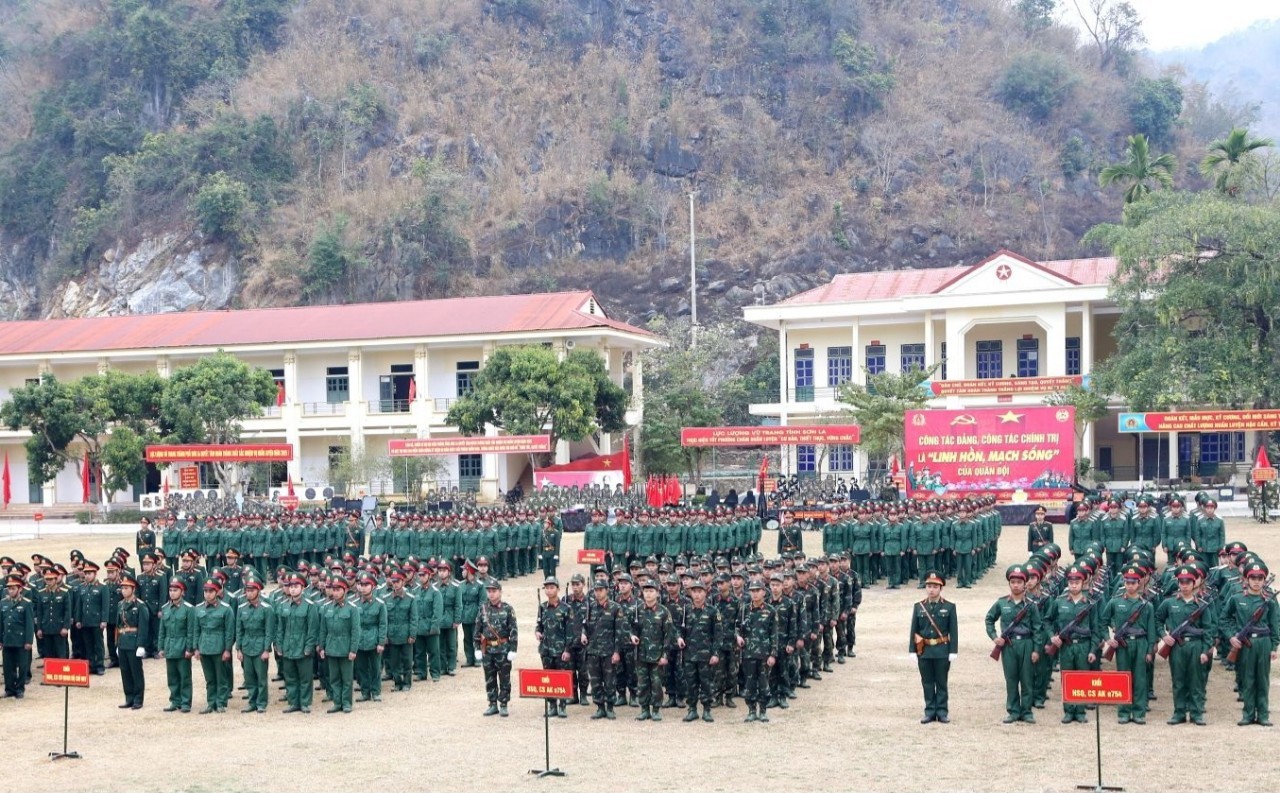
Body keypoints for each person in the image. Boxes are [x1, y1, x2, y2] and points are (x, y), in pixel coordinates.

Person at [1155, 565, 1214, 725]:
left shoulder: (1201, 605)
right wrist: (1163, 636)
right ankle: (1179, 712)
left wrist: (1205, 651)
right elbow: (1157, 619)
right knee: (1178, 681)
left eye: (1188, 582)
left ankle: (1196, 713)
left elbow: (1208, 630)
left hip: (1196, 646)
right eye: (1181, 582)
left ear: (1194, 583)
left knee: (1196, 681)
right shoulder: (1169, 603)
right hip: (1177, 647)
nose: (1184, 585)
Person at [984, 564, 1042, 724]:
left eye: (1019, 582)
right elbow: (989, 619)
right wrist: (995, 637)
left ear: (1025, 584)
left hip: (1026, 644)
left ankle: (1027, 711)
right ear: (1009, 584)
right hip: (1008, 645)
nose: (1016, 585)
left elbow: (1038, 628)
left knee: (1027, 679)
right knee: (1011, 679)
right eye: (1013, 582)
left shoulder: (1031, 605)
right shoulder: (1001, 603)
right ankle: (1013, 711)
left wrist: (1037, 649)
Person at [1224, 560, 1277, 726]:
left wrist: (1274, 646)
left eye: (1260, 578)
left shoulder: (1270, 601)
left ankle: (1262, 714)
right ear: (1246, 579)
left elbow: (1276, 624)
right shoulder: (1236, 598)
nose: (1256, 581)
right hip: (1244, 643)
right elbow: (1224, 619)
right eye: (1253, 577)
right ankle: (1247, 714)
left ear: (1264, 580)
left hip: (1263, 642)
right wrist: (1232, 636)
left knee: (1262, 679)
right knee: (1247, 679)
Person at [1100, 565, 1155, 724]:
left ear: (1139, 583)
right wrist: (1108, 639)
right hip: (1122, 645)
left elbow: (1151, 630)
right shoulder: (1115, 602)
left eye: (1133, 582)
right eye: (1127, 582)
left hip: (1141, 643)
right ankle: (1123, 712)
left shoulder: (1147, 605)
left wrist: (1150, 650)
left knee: (1140, 679)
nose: (1130, 585)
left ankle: (1139, 712)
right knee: (1123, 678)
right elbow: (1102, 622)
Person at [1046, 565, 1099, 724]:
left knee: (1082, 678)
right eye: (1071, 582)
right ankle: (1069, 711)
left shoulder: (1090, 604)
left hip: (1083, 645)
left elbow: (1095, 629)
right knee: (1067, 677)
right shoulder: (1058, 602)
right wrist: (1052, 636)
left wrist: (1092, 650)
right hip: (1066, 646)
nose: (1074, 585)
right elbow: (1047, 621)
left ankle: (1081, 711)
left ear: (1084, 583)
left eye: (1077, 582)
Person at [910, 571, 957, 724]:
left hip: (942, 649)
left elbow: (953, 631)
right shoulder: (919, 607)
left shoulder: (949, 607)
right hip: (924, 650)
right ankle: (930, 711)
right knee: (927, 682)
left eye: (935, 587)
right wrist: (912, 650)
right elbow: (914, 629)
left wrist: (953, 651)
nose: (931, 589)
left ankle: (942, 711)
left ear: (941, 588)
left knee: (941, 682)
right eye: (929, 586)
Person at [630, 579, 675, 721]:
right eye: (646, 591)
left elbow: (669, 635)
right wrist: (632, 636)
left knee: (656, 684)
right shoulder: (636, 610)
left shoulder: (664, 611)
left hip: (657, 655)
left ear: (657, 593)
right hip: (641, 654)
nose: (648, 594)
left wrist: (665, 655)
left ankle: (656, 709)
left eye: (651, 591)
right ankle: (644, 709)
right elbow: (629, 628)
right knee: (642, 683)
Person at [274, 574, 319, 713]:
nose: (292, 590)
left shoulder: (310, 606)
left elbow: (312, 630)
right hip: (288, 647)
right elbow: (280, 628)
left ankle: (305, 703)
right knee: (290, 677)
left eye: (296, 586)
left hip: (302, 647)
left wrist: (308, 648)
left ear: (302, 588)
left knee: (305, 678)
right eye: (290, 586)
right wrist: (279, 646)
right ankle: (293, 702)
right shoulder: (283, 605)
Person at [680, 577, 722, 722]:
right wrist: (679, 638)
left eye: (699, 591)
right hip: (690, 655)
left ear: (705, 593)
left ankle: (707, 710)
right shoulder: (686, 610)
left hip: (706, 655)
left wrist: (715, 653)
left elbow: (718, 635)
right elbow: (681, 631)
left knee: (706, 683)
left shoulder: (713, 611)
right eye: (694, 592)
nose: (697, 595)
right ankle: (692, 710)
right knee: (690, 684)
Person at [582, 578, 625, 720]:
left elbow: (619, 631)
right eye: (596, 590)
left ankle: (610, 707)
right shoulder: (590, 607)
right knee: (595, 680)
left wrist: (617, 652)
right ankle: (600, 707)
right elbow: (585, 625)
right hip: (593, 651)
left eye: (601, 590)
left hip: (608, 651)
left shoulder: (615, 608)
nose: (598, 593)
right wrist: (583, 634)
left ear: (607, 590)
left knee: (609, 680)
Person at [475, 577, 518, 717]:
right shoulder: (483, 609)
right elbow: (478, 630)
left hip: (503, 648)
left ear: (500, 592)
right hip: (487, 649)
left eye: (494, 591)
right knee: (489, 677)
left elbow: (513, 630)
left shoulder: (507, 609)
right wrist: (477, 648)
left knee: (504, 677)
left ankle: (504, 703)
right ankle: (492, 703)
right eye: (489, 591)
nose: (491, 594)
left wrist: (513, 649)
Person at [737, 579, 778, 723]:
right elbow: (736, 627)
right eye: (752, 591)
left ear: (763, 592)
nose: (754, 594)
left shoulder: (771, 611)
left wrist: (773, 654)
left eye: (757, 591)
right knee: (749, 684)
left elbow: (774, 634)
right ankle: (751, 710)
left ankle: (763, 711)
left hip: (764, 654)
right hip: (748, 653)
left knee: (764, 683)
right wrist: (738, 637)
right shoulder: (744, 609)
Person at [193, 580, 235, 714]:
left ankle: (221, 702)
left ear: (217, 592)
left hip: (219, 647)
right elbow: (196, 630)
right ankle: (211, 702)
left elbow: (229, 632)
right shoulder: (198, 609)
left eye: (211, 591)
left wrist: (227, 649)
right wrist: (196, 648)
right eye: (205, 591)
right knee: (210, 678)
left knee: (221, 677)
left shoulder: (226, 609)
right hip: (204, 646)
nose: (207, 594)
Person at [535, 576, 575, 718]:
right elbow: (539, 625)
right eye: (547, 587)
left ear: (558, 589)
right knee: (548, 679)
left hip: (560, 650)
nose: (549, 590)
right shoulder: (542, 607)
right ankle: (552, 705)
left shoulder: (566, 608)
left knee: (562, 678)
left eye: (552, 587)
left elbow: (570, 631)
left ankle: (563, 706)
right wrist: (538, 632)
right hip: (546, 649)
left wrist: (567, 650)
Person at [318, 578, 359, 714]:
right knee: (334, 678)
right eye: (333, 590)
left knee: (346, 678)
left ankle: (346, 703)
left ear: (345, 590)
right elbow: (323, 630)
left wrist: (353, 649)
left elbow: (355, 631)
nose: (335, 593)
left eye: (338, 590)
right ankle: (337, 702)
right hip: (331, 648)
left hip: (345, 648)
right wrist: (322, 647)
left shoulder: (352, 609)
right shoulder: (326, 608)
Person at [236, 579, 275, 713]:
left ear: (258, 591)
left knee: (261, 677)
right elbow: (239, 630)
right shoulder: (241, 608)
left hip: (260, 646)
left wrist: (266, 649)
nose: (249, 593)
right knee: (249, 677)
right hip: (247, 646)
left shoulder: (266, 608)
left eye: (252, 590)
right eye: (247, 590)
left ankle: (262, 703)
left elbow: (269, 631)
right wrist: (238, 649)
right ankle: (252, 702)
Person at [157, 580, 196, 713]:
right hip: (169, 646)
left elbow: (191, 630)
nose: (172, 593)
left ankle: (185, 702)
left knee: (184, 676)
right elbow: (162, 630)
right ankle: (175, 701)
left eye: (175, 590)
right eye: (171, 590)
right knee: (172, 676)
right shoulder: (165, 608)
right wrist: (161, 648)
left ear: (182, 592)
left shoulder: (189, 609)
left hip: (182, 645)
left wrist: (189, 648)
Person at [116, 576, 150, 710]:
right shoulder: (120, 604)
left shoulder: (140, 605)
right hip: (123, 641)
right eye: (122, 588)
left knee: (136, 672)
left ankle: (138, 699)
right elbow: (118, 626)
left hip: (134, 642)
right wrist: (117, 644)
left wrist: (141, 645)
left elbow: (143, 627)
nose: (123, 591)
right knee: (125, 671)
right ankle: (129, 698)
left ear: (133, 589)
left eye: (126, 588)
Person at [352, 575, 387, 703]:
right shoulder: (355, 604)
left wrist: (381, 642)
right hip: (360, 640)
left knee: (375, 668)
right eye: (362, 585)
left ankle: (376, 692)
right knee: (361, 668)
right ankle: (365, 692)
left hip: (374, 639)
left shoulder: (379, 604)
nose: (363, 588)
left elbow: (383, 624)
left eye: (366, 585)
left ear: (372, 586)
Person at [383, 571, 419, 692]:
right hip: (392, 635)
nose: (395, 584)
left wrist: (412, 634)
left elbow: (413, 618)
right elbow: (385, 619)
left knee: (407, 660)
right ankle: (397, 682)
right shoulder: (386, 599)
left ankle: (407, 683)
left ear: (403, 582)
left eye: (398, 581)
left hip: (405, 634)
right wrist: (385, 635)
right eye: (393, 582)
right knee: (394, 661)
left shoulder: (410, 598)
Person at [1, 574, 34, 699]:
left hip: (21, 641)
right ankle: (9, 689)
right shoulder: (3, 603)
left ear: (20, 589)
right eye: (9, 588)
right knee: (8, 666)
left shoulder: (26, 604)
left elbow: (29, 624)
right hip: (8, 640)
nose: (10, 591)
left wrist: (28, 641)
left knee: (22, 665)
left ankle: (20, 689)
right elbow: (1, 623)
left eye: (13, 588)